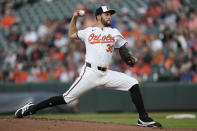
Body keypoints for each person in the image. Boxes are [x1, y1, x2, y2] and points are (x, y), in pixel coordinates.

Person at [15, 6, 162, 127]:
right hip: (90, 72)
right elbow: (71, 34)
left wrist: (129, 60)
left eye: (110, 14)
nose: (109, 16)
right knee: (67, 98)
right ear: (98, 16)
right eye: (106, 14)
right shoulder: (89, 31)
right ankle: (31, 109)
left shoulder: (114, 32)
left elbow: (123, 52)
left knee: (133, 83)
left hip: (106, 73)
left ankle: (143, 118)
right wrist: (74, 17)